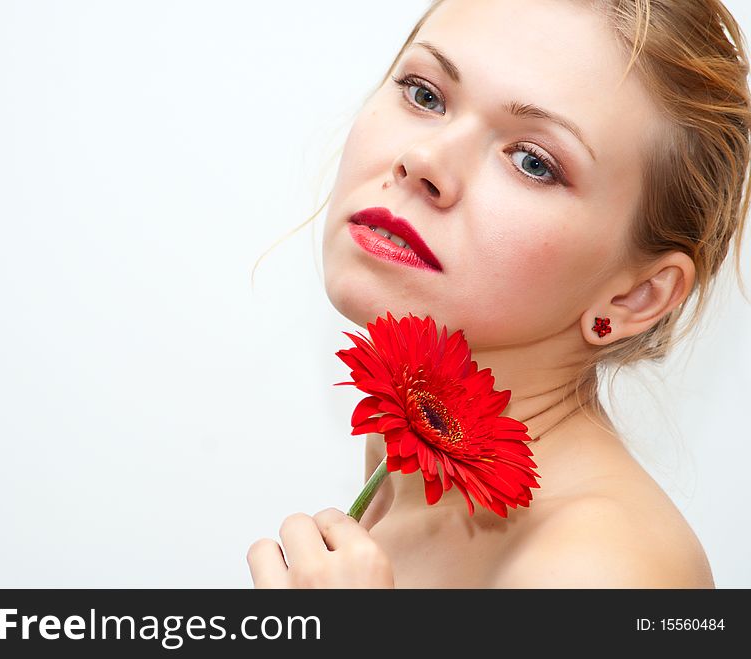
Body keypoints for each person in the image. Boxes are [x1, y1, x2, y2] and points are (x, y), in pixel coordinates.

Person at [247, 0, 750, 588]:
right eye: (424, 94)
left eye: (533, 162)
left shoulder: (605, 572)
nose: (422, 160)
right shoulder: (403, 461)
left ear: (637, 296)